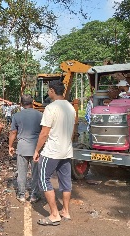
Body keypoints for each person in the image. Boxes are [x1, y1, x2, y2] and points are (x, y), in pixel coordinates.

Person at [33, 80, 75, 226]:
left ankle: (54, 215)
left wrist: (37, 150)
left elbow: (44, 133)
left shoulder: (51, 108)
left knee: (43, 179)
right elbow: (72, 131)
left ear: (51, 90)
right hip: (66, 151)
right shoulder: (70, 107)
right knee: (65, 181)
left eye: (48, 90)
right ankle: (66, 211)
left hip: (52, 151)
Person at [8, 94, 42, 203]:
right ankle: (34, 195)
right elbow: (44, 132)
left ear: (21, 104)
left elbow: (13, 132)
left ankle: (21, 195)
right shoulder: (40, 115)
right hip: (36, 148)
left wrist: (10, 146)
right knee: (35, 173)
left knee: (22, 173)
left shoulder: (17, 116)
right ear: (32, 102)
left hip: (22, 148)